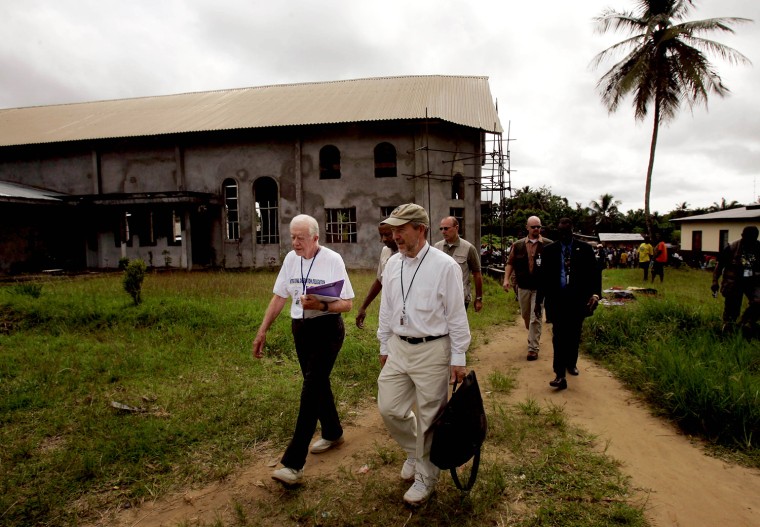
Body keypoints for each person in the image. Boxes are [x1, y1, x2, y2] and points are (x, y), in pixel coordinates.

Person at [376, 203, 470, 505]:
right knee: (389, 407)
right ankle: (415, 453)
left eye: (401, 229)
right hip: (399, 347)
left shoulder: (445, 266)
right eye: (393, 230)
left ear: (420, 229)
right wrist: (383, 344)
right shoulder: (393, 264)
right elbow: (387, 308)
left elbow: (457, 315)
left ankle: (426, 478)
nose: (396, 235)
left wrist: (459, 356)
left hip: (433, 349)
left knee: (430, 416)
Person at [252, 214, 355, 485]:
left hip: (327, 329)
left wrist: (321, 306)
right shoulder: (290, 260)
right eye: (292, 237)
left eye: (300, 238)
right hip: (301, 330)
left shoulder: (332, 260)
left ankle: (293, 464)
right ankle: (333, 432)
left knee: (310, 390)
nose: (295, 243)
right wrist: (263, 330)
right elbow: (279, 296)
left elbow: (347, 304)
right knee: (317, 384)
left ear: (315, 238)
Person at [536, 218, 602, 390]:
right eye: (561, 232)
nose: (564, 235)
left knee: (574, 334)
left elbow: (595, 274)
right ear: (558, 232)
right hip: (557, 300)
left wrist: (595, 294)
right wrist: (538, 302)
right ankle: (559, 375)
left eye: (567, 232)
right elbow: (543, 278)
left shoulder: (585, 249)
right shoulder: (550, 251)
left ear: (573, 231)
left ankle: (571, 363)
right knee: (558, 336)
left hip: (578, 300)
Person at [502, 216, 552, 361]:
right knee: (526, 315)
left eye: (539, 227)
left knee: (535, 316)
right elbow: (510, 263)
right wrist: (506, 279)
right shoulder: (517, 245)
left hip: (540, 287)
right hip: (523, 286)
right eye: (534, 227)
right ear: (527, 228)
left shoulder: (548, 245)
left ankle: (533, 349)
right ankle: (531, 334)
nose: (536, 229)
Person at [711, 225, 760, 337]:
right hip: (734, 282)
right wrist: (715, 281)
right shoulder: (732, 247)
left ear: (755, 237)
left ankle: (746, 323)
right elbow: (719, 266)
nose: (747, 240)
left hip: (752, 281)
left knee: (758, 302)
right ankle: (728, 332)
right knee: (732, 311)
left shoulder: (758, 248)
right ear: (742, 236)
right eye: (745, 237)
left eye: (751, 238)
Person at [434, 216, 483, 311]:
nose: (443, 231)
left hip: (460, 298)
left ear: (456, 228)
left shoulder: (469, 248)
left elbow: (477, 274)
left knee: (458, 326)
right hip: (440, 298)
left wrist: (478, 298)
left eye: (446, 228)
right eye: (441, 228)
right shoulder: (437, 247)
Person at [355, 222, 398, 328]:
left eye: (387, 235)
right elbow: (380, 280)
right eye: (381, 235)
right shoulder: (385, 251)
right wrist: (363, 307)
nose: (383, 239)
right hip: (387, 309)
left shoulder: (408, 253)